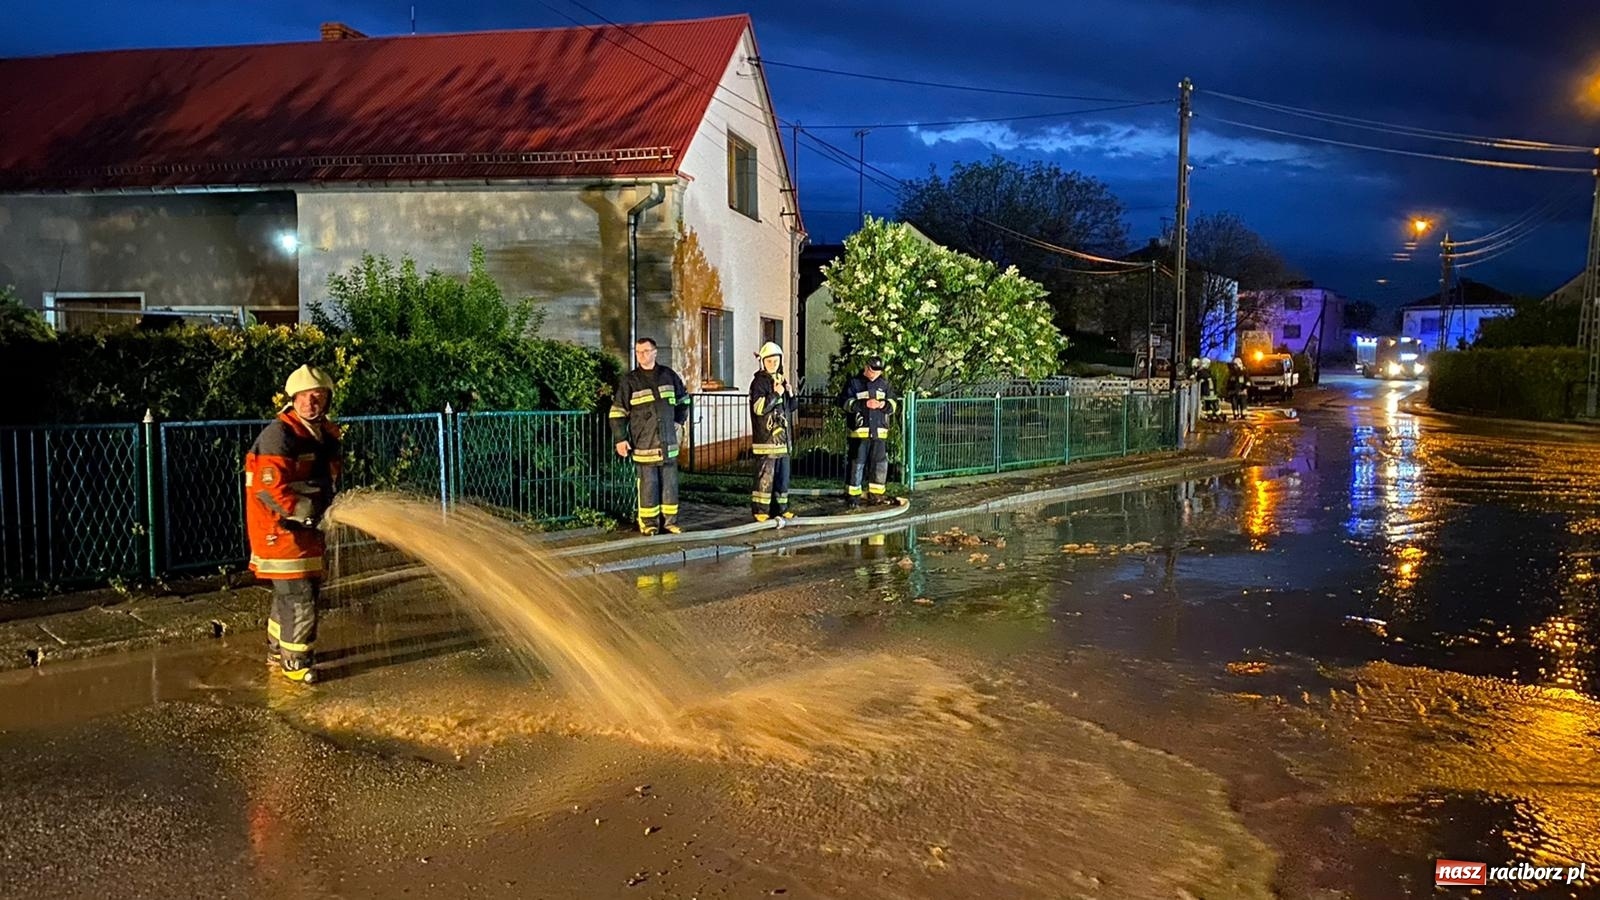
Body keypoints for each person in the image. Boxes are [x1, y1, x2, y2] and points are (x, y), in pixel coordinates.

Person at [245, 364, 342, 684]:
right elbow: (269, 487)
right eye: (306, 398)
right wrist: (304, 512)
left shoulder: (323, 433)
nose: (312, 404)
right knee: (300, 595)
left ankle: (276, 650)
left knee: (292, 592)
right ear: (293, 399)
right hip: (280, 531)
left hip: (305, 531)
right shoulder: (280, 435)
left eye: (319, 397)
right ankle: (296, 662)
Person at [610, 337, 690, 535]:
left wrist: (678, 421)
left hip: (668, 444)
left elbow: (684, 401)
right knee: (648, 486)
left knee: (670, 486)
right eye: (638, 352)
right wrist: (620, 438)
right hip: (644, 444)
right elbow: (617, 412)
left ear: (655, 352)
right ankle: (649, 524)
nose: (642, 355)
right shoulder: (630, 381)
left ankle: (670, 522)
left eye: (646, 351)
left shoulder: (669, 376)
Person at [838, 356, 898, 507]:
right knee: (857, 464)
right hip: (859, 433)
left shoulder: (885, 385)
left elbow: (894, 404)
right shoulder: (855, 383)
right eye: (871, 370)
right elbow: (843, 402)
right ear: (866, 367)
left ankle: (876, 495)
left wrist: (882, 404)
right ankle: (853, 496)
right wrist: (863, 404)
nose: (873, 374)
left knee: (879, 464)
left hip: (879, 433)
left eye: (877, 371)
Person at [749, 341, 798, 522]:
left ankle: (781, 509)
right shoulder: (759, 383)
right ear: (763, 362)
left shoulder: (781, 380)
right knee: (765, 478)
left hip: (783, 440)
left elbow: (791, 408)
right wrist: (776, 394)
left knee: (782, 479)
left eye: (776, 360)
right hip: (767, 440)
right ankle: (761, 510)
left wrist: (790, 393)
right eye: (769, 361)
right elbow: (759, 408)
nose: (773, 364)